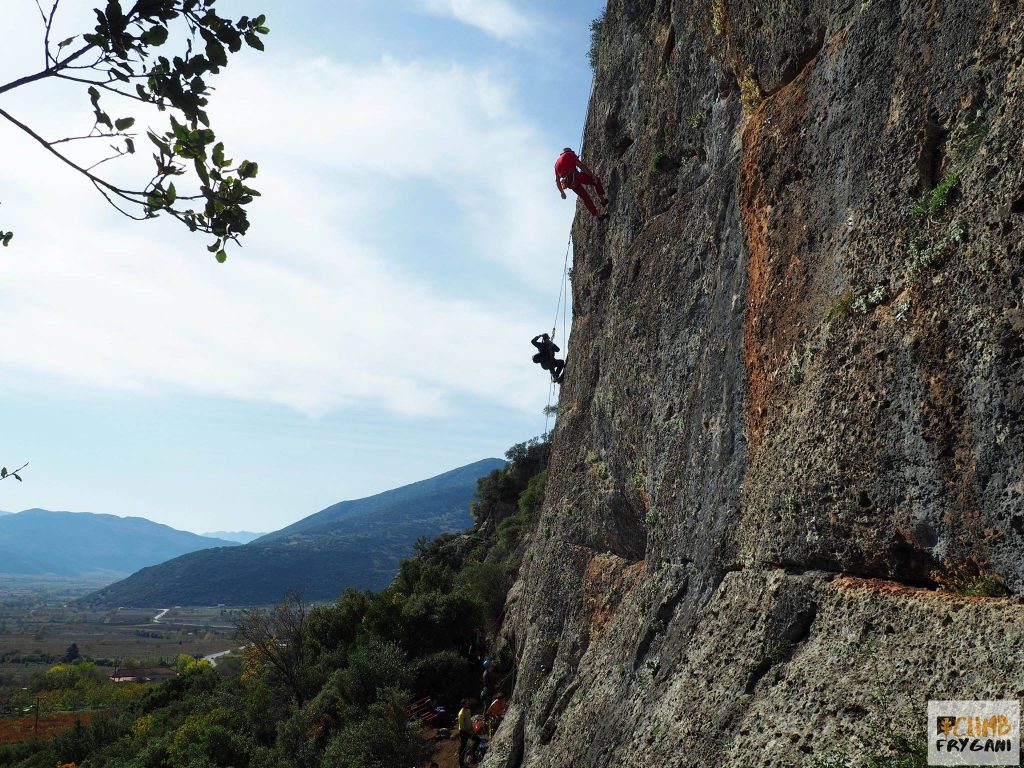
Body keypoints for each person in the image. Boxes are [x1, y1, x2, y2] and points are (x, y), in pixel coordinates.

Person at [555, 147, 609, 220]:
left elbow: (557, 180)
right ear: (569, 151)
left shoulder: (556, 164)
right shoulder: (570, 155)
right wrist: (592, 175)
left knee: (585, 197)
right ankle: (603, 201)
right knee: (595, 180)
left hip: (569, 183)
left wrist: (562, 192)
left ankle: (598, 216)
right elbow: (582, 166)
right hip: (575, 176)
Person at [457, 699, 474, 768]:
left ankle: (471, 754)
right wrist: (469, 732)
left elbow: (469, 720)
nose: (468, 704)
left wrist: (472, 728)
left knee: (477, 740)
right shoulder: (461, 714)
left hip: (469, 730)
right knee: (463, 748)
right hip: (464, 732)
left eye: (468, 703)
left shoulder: (468, 710)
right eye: (467, 703)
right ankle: (461, 764)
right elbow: (462, 727)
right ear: (463, 705)